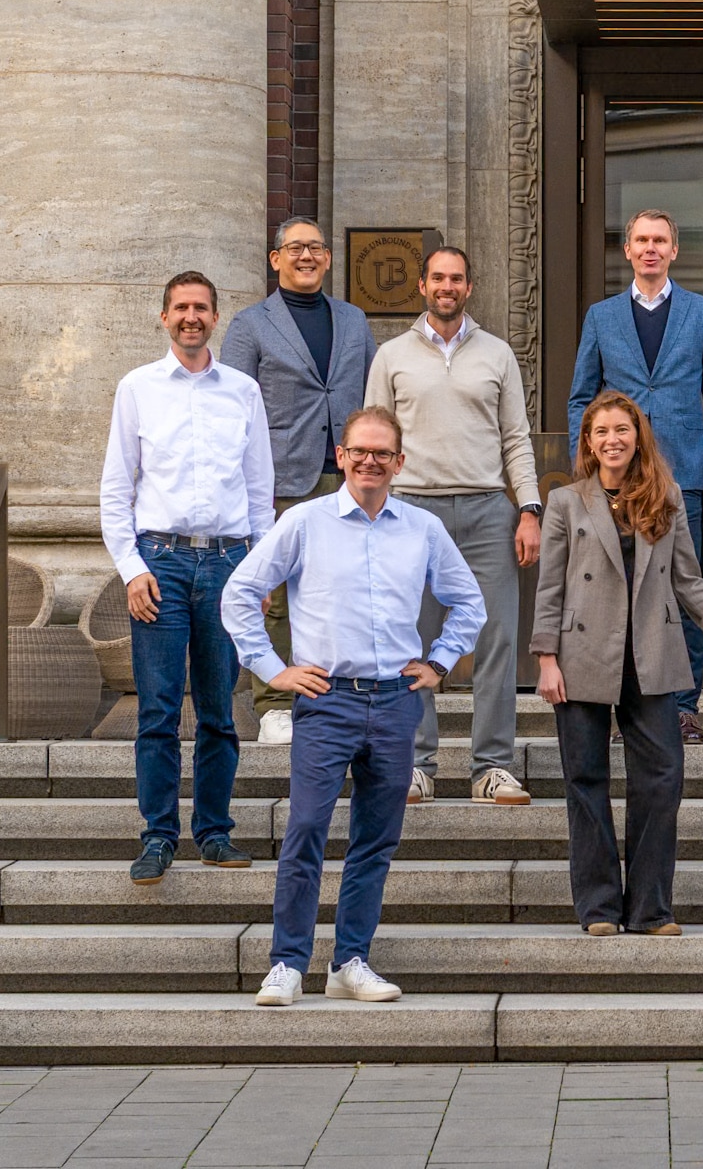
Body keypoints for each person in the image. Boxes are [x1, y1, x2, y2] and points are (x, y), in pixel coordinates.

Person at [228, 406, 487, 1006]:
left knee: (376, 837)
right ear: (341, 456)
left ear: (400, 463)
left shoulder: (421, 529)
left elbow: (468, 601)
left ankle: (350, 960)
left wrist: (440, 661)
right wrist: (273, 669)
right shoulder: (305, 523)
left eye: (383, 453)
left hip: (397, 703)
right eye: (359, 451)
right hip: (327, 701)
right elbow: (240, 592)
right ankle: (287, 963)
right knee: (308, 827)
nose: (370, 461)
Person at [532, 392, 703, 935]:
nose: (613, 439)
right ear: (588, 442)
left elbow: (688, 580)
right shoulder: (567, 502)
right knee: (585, 778)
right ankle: (598, 908)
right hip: (582, 653)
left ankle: (651, 907)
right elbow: (549, 589)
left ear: (638, 436)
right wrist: (546, 659)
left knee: (661, 780)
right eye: (601, 431)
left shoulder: (667, 496)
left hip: (652, 654)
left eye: (623, 429)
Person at [99, 270, 275, 886]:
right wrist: (131, 569)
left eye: (201, 308)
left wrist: (258, 571)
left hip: (228, 565)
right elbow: (117, 488)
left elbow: (260, 493)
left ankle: (215, 833)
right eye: (181, 308)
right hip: (161, 565)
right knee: (158, 710)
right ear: (165, 317)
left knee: (221, 710)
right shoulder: (138, 388)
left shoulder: (244, 392)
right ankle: (157, 836)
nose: (191, 317)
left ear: (215, 317)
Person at [568, 209, 703, 744]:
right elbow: (582, 397)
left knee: (680, 588)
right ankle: (613, 703)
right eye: (640, 240)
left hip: (681, 476)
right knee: (610, 590)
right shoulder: (602, 316)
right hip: (613, 476)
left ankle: (683, 707)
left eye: (660, 241)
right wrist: (584, 467)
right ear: (626, 250)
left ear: (675, 250)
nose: (650, 249)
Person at [367, 245, 541, 806]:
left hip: (490, 510)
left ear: (470, 287)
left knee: (497, 637)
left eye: (457, 278)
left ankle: (491, 766)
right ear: (422, 286)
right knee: (410, 638)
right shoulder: (391, 356)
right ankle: (416, 764)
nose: (447, 286)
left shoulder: (497, 355)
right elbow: (374, 442)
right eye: (438, 278)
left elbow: (515, 438)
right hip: (412, 513)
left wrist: (530, 508)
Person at [222, 216, 379, 743]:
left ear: (329, 258)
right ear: (276, 259)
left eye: (315, 248)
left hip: (349, 478)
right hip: (281, 477)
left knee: (344, 587)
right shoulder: (250, 324)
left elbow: (372, 397)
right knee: (276, 594)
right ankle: (273, 703)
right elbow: (234, 408)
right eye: (295, 249)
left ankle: (337, 693)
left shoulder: (354, 320)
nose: (306, 256)